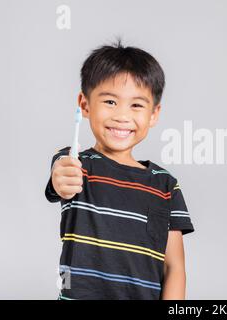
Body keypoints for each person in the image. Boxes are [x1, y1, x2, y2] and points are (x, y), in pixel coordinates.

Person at [45, 41, 194, 300]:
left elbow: (174, 267)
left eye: (136, 105)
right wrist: (61, 176)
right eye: (111, 101)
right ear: (85, 104)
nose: (122, 116)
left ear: (154, 114)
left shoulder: (166, 185)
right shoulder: (75, 162)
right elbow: (61, 177)